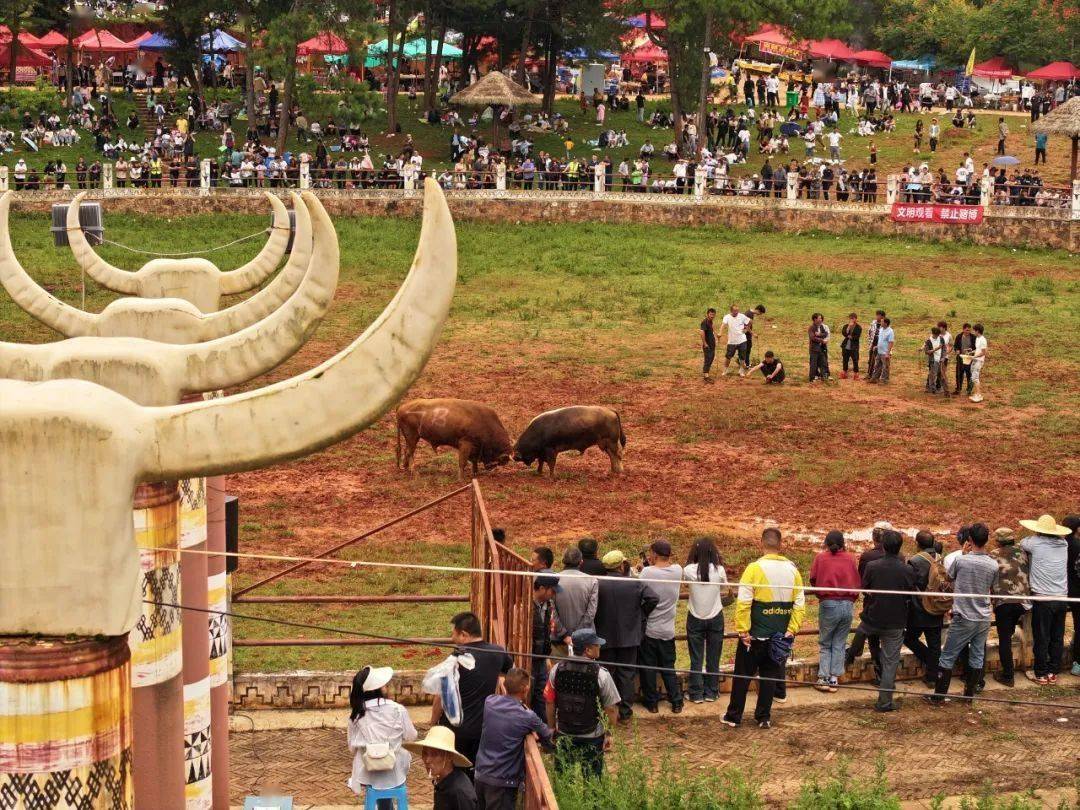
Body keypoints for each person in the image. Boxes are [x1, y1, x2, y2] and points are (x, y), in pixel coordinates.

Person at [722, 528, 805, 729]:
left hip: (754, 637)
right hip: (779, 638)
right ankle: (764, 717)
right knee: (769, 677)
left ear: (762, 544)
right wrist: (791, 630)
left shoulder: (753, 569)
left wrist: (743, 631)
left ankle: (734, 716)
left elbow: (743, 603)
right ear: (780, 545)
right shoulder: (793, 570)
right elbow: (800, 604)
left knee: (742, 676)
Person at [431, 612, 513, 773]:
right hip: (482, 729)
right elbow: (509, 673)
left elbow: (441, 696)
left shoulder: (457, 658)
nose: (452, 637)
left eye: (454, 633)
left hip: (454, 730)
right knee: (475, 771)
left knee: (452, 772)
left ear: (464, 634)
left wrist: (433, 722)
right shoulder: (498, 653)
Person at [928, 524, 998, 704]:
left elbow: (949, 578)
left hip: (963, 616)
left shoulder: (961, 560)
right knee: (977, 656)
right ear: (986, 540)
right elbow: (992, 586)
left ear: (970, 540)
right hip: (983, 617)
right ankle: (968, 695)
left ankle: (938, 696)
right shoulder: (993, 564)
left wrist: (963, 553)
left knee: (948, 655)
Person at [544, 628, 620, 779]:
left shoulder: (556, 670)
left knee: (564, 780)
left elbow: (549, 701)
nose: (599, 647)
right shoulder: (602, 675)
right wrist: (609, 733)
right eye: (596, 645)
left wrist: (552, 728)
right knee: (592, 782)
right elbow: (611, 709)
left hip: (564, 733)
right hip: (592, 736)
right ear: (588, 650)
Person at [474, 668, 553, 810]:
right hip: (503, 782)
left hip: (481, 775)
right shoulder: (527, 716)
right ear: (526, 688)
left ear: (505, 685)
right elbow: (547, 735)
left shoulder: (490, 702)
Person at [593, 549, 657, 722]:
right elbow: (653, 598)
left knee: (607, 673)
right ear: (621, 565)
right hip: (629, 636)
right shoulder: (634, 583)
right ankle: (626, 711)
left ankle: (608, 709)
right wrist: (641, 615)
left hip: (605, 636)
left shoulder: (598, 583)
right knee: (627, 673)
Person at [860, 530, 916, 712]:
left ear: (883, 546)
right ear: (900, 547)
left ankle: (850, 654)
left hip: (874, 618)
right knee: (891, 662)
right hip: (896, 621)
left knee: (862, 634)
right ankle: (884, 702)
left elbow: (865, 588)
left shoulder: (872, 566)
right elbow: (911, 591)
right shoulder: (907, 569)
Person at [347, 666, 418, 809]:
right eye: (383, 684)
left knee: (376, 784)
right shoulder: (398, 710)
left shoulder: (355, 716)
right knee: (401, 755)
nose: (386, 686)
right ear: (376, 689)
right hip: (395, 772)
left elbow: (352, 749)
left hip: (368, 774)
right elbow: (412, 736)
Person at [1019, 514, 1071, 685]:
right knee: (1057, 635)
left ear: (1039, 531)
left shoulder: (1034, 542)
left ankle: (1040, 673)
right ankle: (1053, 671)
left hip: (1043, 598)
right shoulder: (1063, 544)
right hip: (1062, 597)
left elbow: (1022, 543)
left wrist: (1036, 535)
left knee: (1041, 636)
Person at [809, 531, 860, 693]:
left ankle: (823, 677)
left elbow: (813, 579)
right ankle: (834, 679)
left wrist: (822, 596)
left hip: (829, 603)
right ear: (843, 543)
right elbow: (857, 581)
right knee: (839, 642)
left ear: (826, 542)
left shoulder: (820, 558)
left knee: (825, 642)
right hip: (847, 604)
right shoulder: (850, 558)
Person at [638, 539, 684, 713]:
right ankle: (677, 701)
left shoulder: (647, 573)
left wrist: (645, 567)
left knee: (648, 668)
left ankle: (652, 703)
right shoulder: (678, 571)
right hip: (668, 630)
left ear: (654, 555)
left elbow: (641, 586)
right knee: (668, 667)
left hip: (650, 630)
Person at [683, 537, 731, 704]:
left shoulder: (688, 570)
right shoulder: (719, 570)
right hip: (715, 616)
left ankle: (695, 693)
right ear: (713, 552)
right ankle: (711, 692)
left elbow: (686, 585)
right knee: (713, 657)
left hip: (695, 616)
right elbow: (725, 588)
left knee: (696, 658)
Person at [989, 527, 1030, 687]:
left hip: (1004, 602)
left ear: (998, 541)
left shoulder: (993, 554)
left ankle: (1008, 675)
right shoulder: (1023, 552)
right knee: (1010, 631)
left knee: (1004, 638)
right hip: (1023, 602)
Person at [905, 531, 945, 687]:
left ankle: (931, 662)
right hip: (938, 606)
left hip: (919, 609)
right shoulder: (941, 558)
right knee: (935, 644)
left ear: (917, 544)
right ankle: (932, 676)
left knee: (909, 638)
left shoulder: (915, 561)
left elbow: (910, 584)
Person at [405, 727, 477, 810]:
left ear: (449, 756)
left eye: (434, 754)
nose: (427, 760)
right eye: (425, 753)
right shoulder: (442, 779)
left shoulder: (459, 792)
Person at [552, 548, 598, 657]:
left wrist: (564, 634)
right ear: (581, 562)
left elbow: (552, 610)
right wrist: (577, 635)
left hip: (560, 640)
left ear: (563, 560)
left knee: (559, 671)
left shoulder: (554, 579)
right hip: (585, 640)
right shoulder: (592, 580)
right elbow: (591, 613)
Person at [529, 576, 560, 719]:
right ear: (541, 589)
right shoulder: (525, 605)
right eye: (552, 591)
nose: (554, 594)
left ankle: (543, 733)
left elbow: (546, 632)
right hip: (528, 658)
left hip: (541, 659)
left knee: (542, 696)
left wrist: (546, 656)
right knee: (528, 695)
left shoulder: (548, 605)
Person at [720, 305, 749, 376]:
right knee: (728, 356)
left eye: (737, 311)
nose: (736, 312)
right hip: (732, 341)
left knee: (742, 357)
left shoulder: (742, 316)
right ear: (731, 311)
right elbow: (723, 325)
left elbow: (749, 321)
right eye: (735, 311)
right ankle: (725, 370)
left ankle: (741, 371)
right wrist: (720, 332)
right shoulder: (727, 317)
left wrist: (746, 329)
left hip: (742, 340)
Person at [868, 317, 894, 384]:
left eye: (882, 322)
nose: (880, 323)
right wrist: (876, 346)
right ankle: (875, 378)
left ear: (885, 323)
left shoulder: (890, 331)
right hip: (879, 351)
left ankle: (885, 380)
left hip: (885, 352)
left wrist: (888, 353)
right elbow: (881, 340)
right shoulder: (881, 329)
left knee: (885, 367)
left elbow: (891, 342)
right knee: (877, 365)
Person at [924, 326, 948, 395]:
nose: (938, 336)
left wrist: (943, 357)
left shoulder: (941, 338)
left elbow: (944, 349)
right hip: (933, 361)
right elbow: (927, 352)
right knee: (933, 375)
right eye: (936, 335)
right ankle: (933, 389)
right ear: (933, 334)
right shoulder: (928, 341)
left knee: (941, 375)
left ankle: (943, 389)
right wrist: (936, 349)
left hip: (940, 360)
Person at [953, 323, 976, 396]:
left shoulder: (973, 337)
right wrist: (957, 350)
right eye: (966, 330)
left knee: (969, 374)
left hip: (969, 358)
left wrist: (970, 352)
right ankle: (958, 389)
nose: (967, 332)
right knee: (959, 374)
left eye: (969, 330)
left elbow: (975, 348)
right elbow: (955, 346)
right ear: (963, 330)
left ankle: (969, 390)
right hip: (960, 358)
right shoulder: (959, 337)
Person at [968, 323, 987, 402]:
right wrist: (971, 352)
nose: (973, 332)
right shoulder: (977, 338)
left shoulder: (983, 340)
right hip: (975, 359)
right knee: (973, 376)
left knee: (975, 377)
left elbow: (983, 352)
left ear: (978, 331)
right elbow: (978, 349)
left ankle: (978, 395)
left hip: (979, 360)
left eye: (974, 330)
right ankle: (976, 393)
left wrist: (974, 357)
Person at [840, 313, 861, 379]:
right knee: (845, 359)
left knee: (855, 360)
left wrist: (850, 336)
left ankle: (856, 374)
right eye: (851, 318)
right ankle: (844, 373)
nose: (852, 319)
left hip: (854, 346)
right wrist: (849, 327)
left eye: (853, 318)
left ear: (856, 319)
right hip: (846, 345)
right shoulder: (846, 325)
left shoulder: (858, 327)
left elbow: (857, 337)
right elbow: (844, 333)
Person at [808, 313, 828, 383]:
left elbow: (826, 334)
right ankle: (812, 379)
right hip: (814, 349)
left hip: (821, 349)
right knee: (813, 364)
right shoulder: (811, 327)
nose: (821, 319)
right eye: (819, 318)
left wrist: (819, 334)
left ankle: (823, 377)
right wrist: (822, 340)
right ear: (815, 319)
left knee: (823, 363)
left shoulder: (821, 327)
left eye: (821, 318)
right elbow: (812, 337)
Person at [866, 310, 885, 380]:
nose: (877, 317)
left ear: (882, 316)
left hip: (880, 344)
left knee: (878, 361)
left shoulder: (885, 325)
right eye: (876, 315)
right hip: (873, 342)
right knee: (871, 359)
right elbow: (869, 332)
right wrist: (870, 342)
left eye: (878, 315)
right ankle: (869, 374)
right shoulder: (873, 323)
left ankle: (877, 376)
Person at [700, 307, 717, 383]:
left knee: (711, 358)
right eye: (711, 314)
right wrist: (705, 343)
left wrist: (716, 337)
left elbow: (712, 331)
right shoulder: (705, 322)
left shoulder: (710, 321)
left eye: (713, 315)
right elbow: (702, 332)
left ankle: (707, 373)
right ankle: (706, 376)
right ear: (707, 314)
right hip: (707, 345)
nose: (712, 316)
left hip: (712, 344)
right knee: (708, 359)